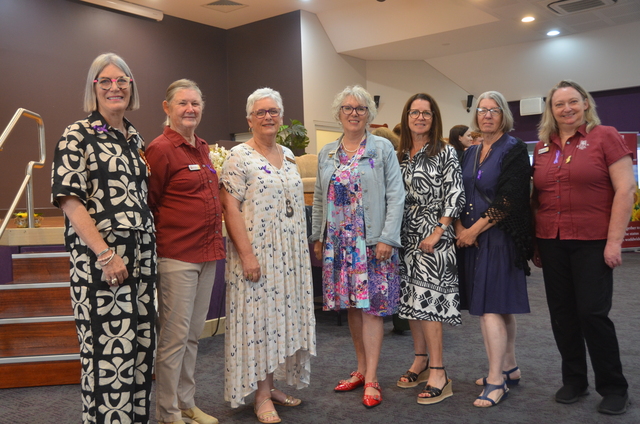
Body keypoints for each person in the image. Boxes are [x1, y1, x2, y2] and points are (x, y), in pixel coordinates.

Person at [51, 53, 156, 424]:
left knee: (140, 350)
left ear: (131, 86)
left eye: (122, 80)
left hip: (142, 260)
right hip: (101, 263)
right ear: (93, 88)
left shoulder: (135, 138)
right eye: (106, 81)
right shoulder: (77, 134)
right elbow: (69, 198)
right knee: (106, 355)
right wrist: (104, 254)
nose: (115, 87)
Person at [531, 80, 635, 415]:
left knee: (592, 313)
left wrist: (615, 241)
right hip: (552, 240)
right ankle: (574, 380)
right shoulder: (542, 146)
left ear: (586, 103)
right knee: (562, 315)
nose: (567, 109)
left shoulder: (605, 136)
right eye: (559, 104)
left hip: (593, 241)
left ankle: (614, 387)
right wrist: (535, 242)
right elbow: (537, 197)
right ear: (551, 110)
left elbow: (625, 190)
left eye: (573, 102)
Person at [220, 88, 316, 423]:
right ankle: (260, 395)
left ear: (281, 116)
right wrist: (247, 256)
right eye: (260, 112)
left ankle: (271, 386)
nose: (268, 117)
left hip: (288, 258)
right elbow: (230, 208)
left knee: (279, 322)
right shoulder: (238, 157)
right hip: (256, 256)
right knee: (259, 322)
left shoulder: (288, 154)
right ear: (249, 120)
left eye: (273, 111)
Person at [311, 85, 404, 409]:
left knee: (372, 308)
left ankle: (373, 377)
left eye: (360, 109)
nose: (354, 113)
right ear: (339, 114)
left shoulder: (382, 148)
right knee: (352, 306)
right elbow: (320, 198)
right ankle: (361, 369)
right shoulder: (327, 153)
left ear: (369, 114)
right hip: (339, 243)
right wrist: (318, 236)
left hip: (372, 243)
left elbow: (396, 195)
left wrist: (387, 238)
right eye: (348, 108)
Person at [146, 79, 224, 424]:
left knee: (193, 336)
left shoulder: (202, 147)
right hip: (176, 257)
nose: (190, 109)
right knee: (174, 339)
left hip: (207, 255)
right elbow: (150, 203)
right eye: (182, 103)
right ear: (167, 108)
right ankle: (168, 412)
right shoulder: (160, 149)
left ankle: (187, 403)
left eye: (195, 103)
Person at [455, 91, 533, 408]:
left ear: (504, 116)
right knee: (498, 306)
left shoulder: (514, 149)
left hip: (499, 238)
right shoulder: (471, 152)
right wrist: (460, 229)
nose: (487, 115)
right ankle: (509, 367)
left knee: (491, 307)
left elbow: (509, 199)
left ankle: (496, 380)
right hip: (472, 239)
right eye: (482, 110)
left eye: (494, 110)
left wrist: (472, 230)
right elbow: (457, 193)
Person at [396, 94, 465, 405]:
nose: (420, 117)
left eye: (426, 113)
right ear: (407, 117)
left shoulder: (445, 151)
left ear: (434, 118)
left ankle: (439, 371)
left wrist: (438, 230)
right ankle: (420, 359)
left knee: (430, 302)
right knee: (411, 299)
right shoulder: (400, 154)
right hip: (405, 235)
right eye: (415, 112)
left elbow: (455, 193)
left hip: (434, 234)